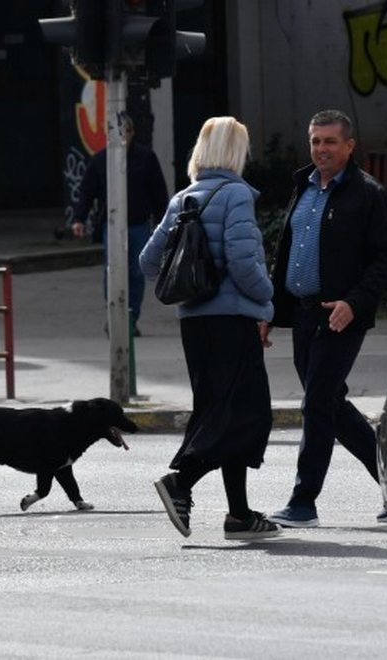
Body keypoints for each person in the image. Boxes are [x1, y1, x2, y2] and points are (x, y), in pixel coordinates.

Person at [139, 117, 280, 541]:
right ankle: (181, 481)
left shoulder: (183, 198)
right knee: (249, 416)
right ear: (236, 152)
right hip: (232, 321)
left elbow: (148, 261)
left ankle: (239, 515)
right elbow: (243, 263)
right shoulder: (236, 194)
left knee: (221, 412)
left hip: (195, 323)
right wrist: (268, 297)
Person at [263, 110, 387, 528]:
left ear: (349, 146)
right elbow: (285, 254)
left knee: (318, 404)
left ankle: (303, 502)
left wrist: (354, 303)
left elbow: (385, 259)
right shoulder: (303, 187)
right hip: (303, 314)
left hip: (340, 317)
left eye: (330, 141)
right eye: (316, 141)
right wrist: (269, 312)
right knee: (331, 405)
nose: (321, 149)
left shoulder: (368, 194)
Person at [72, 116, 169, 335]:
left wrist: (163, 222)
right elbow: (87, 191)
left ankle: (131, 318)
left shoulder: (145, 158)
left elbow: (158, 192)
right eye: (114, 132)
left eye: (124, 131)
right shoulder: (101, 159)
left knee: (136, 272)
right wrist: (79, 218)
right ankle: (114, 316)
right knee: (113, 271)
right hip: (112, 224)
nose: (120, 136)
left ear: (132, 132)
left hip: (138, 224)